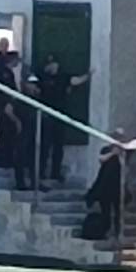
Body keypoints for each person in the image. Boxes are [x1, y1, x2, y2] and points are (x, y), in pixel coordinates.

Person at [31, 53, 89, 186]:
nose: (50, 66)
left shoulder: (63, 77)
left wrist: (89, 74)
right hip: (45, 116)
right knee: (44, 146)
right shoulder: (40, 76)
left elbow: (76, 81)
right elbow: (30, 85)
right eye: (48, 64)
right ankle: (40, 172)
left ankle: (55, 172)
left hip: (60, 116)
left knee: (58, 146)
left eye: (52, 64)